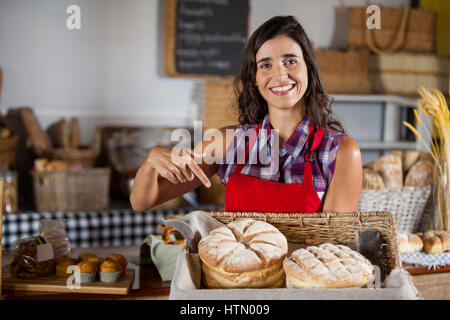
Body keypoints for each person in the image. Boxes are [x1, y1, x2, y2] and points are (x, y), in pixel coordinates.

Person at [130, 15, 362, 213]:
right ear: (254, 79)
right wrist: (151, 162)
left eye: (290, 61)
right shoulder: (227, 143)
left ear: (309, 69)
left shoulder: (340, 153)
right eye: (266, 65)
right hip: (232, 267)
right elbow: (143, 201)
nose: (280, 75)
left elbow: (334, 244)